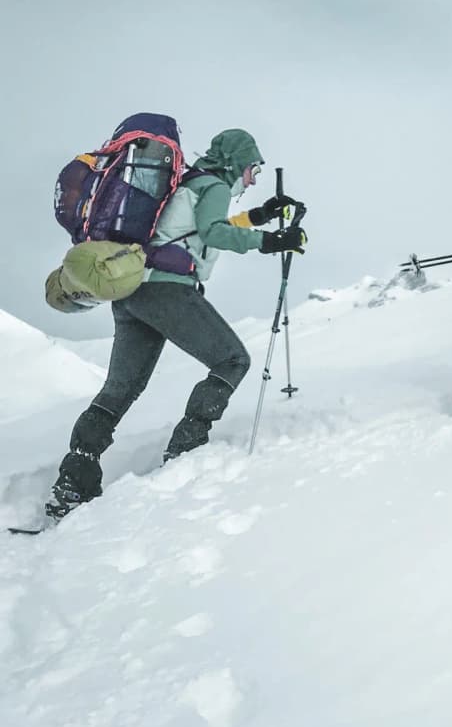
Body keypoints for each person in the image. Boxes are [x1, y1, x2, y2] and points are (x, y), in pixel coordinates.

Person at [45, 129, 307, 520]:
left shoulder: (189, 182)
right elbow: (213, 231)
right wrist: (272, 241)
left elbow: (197, 225)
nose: (252, 178)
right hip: (168, 292)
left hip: (133, 293)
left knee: (120, 389)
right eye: (253, 169)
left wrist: (261, 216)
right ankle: (185, 452)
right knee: (232, 360)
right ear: (237, 162)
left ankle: (72, 482)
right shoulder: (215, 184)